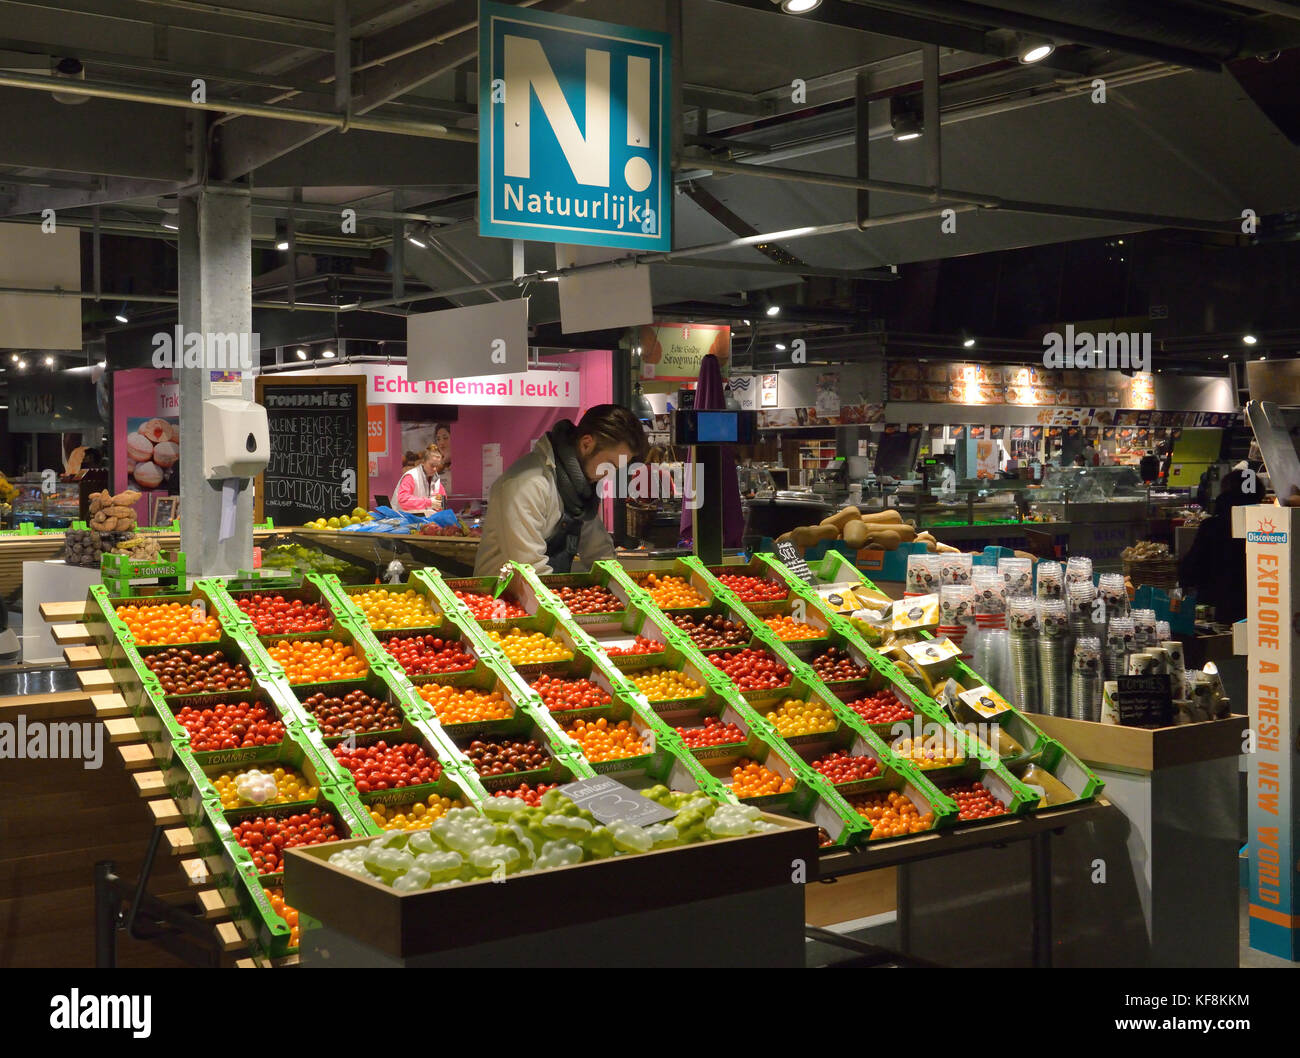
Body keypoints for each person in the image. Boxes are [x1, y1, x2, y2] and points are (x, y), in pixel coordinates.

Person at [474, 404, 648, 575]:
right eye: (608, 465)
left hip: (544, 595)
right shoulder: (527, 484)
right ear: (586, 444)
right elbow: (529, 569)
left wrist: (621, 587)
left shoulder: (580, 492)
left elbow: (600, 555)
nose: (609, 475)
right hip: (501, 599)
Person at [1178, 469, 1254, 624]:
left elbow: (1190, 569)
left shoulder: (1212, 526)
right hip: (1259, 607)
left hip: (1218, 608)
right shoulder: (1266, 526)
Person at [393, 444, 446, 513]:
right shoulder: (411, 476)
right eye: (432, 465)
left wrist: (439, 506)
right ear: (423, 462)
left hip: (423, 519)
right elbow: (403, 500)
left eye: (437, 466)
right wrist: (429, 502)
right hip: (402, 519)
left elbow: (442, 502)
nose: (435, 469)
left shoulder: (435, 479)